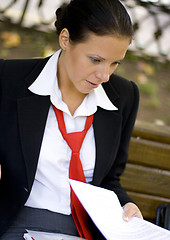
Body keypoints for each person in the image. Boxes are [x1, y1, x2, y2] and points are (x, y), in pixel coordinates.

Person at [0, 0, 143, 239]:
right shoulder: (8, 79)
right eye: (96, 60)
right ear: (65, 40)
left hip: (86, 231)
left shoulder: (124, 96)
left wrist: (126, 205)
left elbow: (109, 180)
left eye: (115, 63)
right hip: (17, 223)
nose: (104, 76)